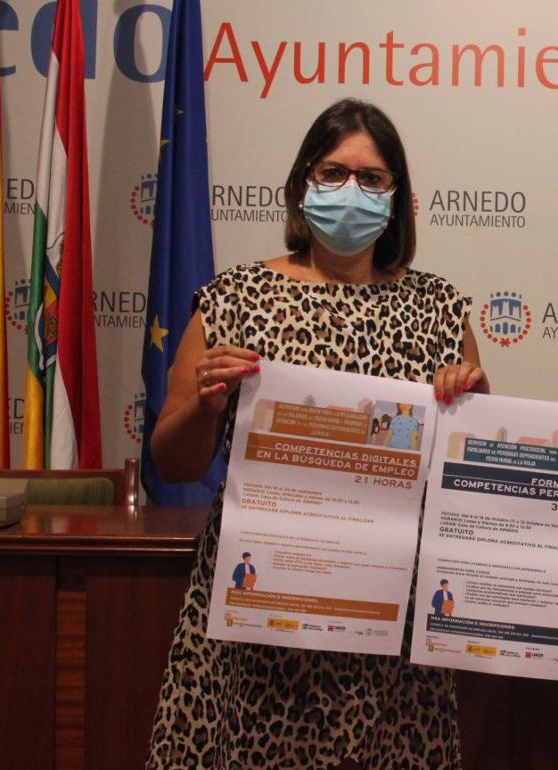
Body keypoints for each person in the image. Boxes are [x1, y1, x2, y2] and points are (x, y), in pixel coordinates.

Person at [145, 98, 488, 770]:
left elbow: (467, 479)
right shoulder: (234, 298)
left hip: (387, 642)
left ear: (399, 198)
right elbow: (173, 462)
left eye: (372, 178)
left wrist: (468, 402)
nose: (351, 191)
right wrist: (207, 406)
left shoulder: (439, 308)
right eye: (333, 173)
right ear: (303, 184)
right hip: (256, 627)